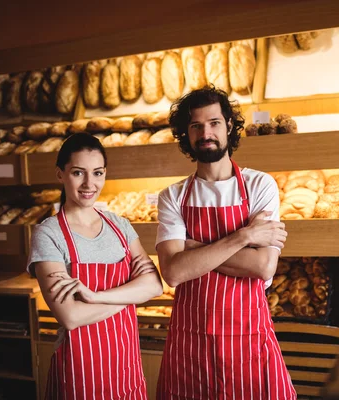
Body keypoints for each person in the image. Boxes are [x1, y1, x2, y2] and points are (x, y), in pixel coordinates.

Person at [156, 86, 296, 399]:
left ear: (229, 125)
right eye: (196, 126)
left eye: (214, 122)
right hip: (190, 340)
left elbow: (262, 266)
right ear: (186, 134)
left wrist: (193, 249)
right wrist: (244, 236)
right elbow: (174, 273)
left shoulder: (259, 185)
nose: (206, 132)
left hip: (246, 335)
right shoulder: (173, 197)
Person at [27, 133, 163, 399]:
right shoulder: (49, 234)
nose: (90, 183)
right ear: (60, 174)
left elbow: (155, 284)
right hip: (80, 374)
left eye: (98, 173)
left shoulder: (119, 225)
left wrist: (96, 296)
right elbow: (71, 316)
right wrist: (132, 295)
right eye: (78, 173)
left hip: (127, 368)